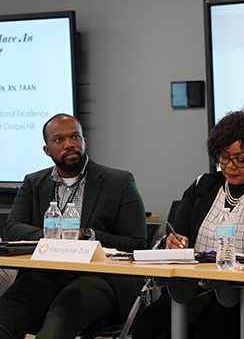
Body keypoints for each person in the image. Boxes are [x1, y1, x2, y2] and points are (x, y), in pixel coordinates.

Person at [133, 110, 244, 339]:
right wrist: (173, 243)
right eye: (224, 157)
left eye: (240, 159)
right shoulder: (201, 187)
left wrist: (207, 299)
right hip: (195, 286)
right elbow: (178, 237)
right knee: (150, 322)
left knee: (211, 328)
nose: (230, 166)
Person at [0, 113, 147, 338]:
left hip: (99, 275)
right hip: (46, 273)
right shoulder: (33, 182)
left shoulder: (119, 182)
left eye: (75, 137)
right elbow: (12, 228)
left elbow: (137, 243)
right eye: (59, 140)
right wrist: (53, 236)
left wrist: (86, 235)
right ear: (47, 150)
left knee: (57, 325)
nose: (69, 144)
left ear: (84, 142)